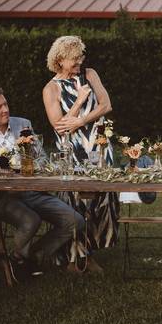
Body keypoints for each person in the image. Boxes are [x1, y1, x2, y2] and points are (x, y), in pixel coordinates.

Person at [0, 85, 85, 280]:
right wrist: (5, 165)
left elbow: (42, 158)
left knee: (75, 222)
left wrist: (29, 164)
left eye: (6, 104)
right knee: (31, 220)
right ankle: (24, 261)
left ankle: (25, 256)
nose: (5, 110)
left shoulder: (22, 124)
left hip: (31, 191)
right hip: (0, 196)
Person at [42, 35, 123, 273]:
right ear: (59, 60)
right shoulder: (51, 89)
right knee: (76, 203)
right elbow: (59, 126)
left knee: (101, 200)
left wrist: (79, 122)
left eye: (81, 57)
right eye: (74, 59)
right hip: (72, 152)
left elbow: (106, 105)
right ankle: (73, 259)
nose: (79, 63)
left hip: (98, 148)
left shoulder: (90, 74)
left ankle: (89, 255)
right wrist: (79, 101)